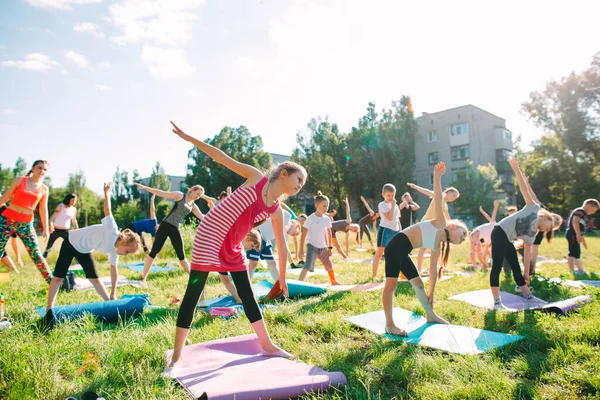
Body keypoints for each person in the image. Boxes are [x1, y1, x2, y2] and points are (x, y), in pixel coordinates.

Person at [163, 121, 308, 378]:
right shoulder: (255, 178)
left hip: (231, 247)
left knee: (248, 295)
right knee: (193, 293)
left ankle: (267, 345)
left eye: (303, 184)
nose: (300, 186)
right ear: (283, 173)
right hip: (209, 236)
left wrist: (283, 279)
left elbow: (283, 247)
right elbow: (221, 156)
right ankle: (176, 357)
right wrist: (190, 138)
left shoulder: (275, 210)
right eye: (299, 180)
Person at [383, 162, 468, 335]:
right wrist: (437, 177)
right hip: (395, 246)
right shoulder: (440, 223)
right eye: (463, 233)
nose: (464, 237)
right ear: (452, 227)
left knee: (419, 284)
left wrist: (432, 294)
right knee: (391, 285)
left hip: (403, 251)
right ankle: (389, 325)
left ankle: (430, 315)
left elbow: (433, 271)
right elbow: (438, 199)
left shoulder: (438, 245)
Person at [46, 183, 142, 309]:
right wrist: (107, 192)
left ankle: (109, 303)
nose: (126, 255)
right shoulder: (112, 230)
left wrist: (113, 294)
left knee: (95, 279)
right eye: (128, 251)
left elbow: (114, 272)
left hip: (84, 250)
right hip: (71, 241)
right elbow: (107, 211)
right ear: (124, 242)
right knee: (59, 276)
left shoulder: (115, 251)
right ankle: (49, 307)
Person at [489, 158, 554, 309]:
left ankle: (528, 296)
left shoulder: (532, 234)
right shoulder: (533, 207)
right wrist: (516, 169)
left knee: (515, 267)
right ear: (545, 217)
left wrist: (527, 274)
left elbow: (527, 254)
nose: (548, 230)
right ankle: (497, 301)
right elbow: (524, 189)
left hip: (507, 238)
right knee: (497, 266)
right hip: (499, 232)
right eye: (549, 226)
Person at [133, 182, 205, 286]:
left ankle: (192, 278)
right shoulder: (180, 195)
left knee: (181, 255)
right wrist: (144, 187)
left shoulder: (193, 206)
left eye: (200, 196)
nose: (198, 197)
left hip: (175, 228)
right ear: (192, 190)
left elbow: (203, 217)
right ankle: (143, 278)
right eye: (197, 193)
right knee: (154, 252)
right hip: (165, 226)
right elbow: (161, 192)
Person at [0, 160, 53, 283]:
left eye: (45, 170)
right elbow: (4, 199)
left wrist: (46, 228)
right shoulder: (19, 180)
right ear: (33, 168)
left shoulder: (44, 189)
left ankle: (53, 283)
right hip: (7, 220)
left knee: (37, 255)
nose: (42, 171)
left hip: (26, 224)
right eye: (40, 168)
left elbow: (43, 209)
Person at [407, 182, 459, 274]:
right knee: (424, 248)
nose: (453, 198)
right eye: (453, 195)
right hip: (426, 224)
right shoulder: (438, 195)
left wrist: (455, 226)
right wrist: (415, 187)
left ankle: (438, 267)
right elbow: (426, 191)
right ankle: (418, 270)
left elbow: (448, 218)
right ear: (448, 192)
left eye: (455, 198)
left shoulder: (445, 206)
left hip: (434, 227)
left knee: (435, 248)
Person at [296, 192, 342, 285]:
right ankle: (299, 283)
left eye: (327, 206)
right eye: (324, 206)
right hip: (312, 246)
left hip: (323, 247)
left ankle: (333, 281)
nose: (326, 208)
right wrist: (300, 250)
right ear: (317, 205)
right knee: (308, 265)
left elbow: (329, 234)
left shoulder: (327, 219)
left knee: (329, 264)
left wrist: (329, 248)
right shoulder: (310, 218)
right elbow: (303, 235)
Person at [372, 184, 401, 278]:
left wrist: (399, 230)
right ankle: (374, 275)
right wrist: (392, 206)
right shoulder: (382, 205)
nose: (391, 198)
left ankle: (399, 274)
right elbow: (389, 217)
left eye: (393, 195)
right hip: (385, 230)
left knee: (397, 253)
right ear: (383, 195)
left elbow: (397, 218)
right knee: (380, 252)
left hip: (395, 231)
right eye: (388, 195)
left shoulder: (395, 205)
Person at [565, 199, 600, 274]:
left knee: (577, 253)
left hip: (576, 234)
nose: (593, 213)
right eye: (593, 210)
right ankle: (572, 271)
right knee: (572, 252)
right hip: (572, 234)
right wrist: (577, 234)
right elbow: (575, 222)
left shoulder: (584, 215)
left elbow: (581, 228)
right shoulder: (580, 211)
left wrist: (583, 240)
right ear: (588, 206)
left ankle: (580, 270)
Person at [43, 193, 79, 258]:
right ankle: (43, 260)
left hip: (65, 231)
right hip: (55, 230)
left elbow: (74, 220)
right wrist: (51, 225)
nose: (74, 202)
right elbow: (52, 218)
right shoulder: (61, 206)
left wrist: (78, 230)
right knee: (49, 246)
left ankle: (77, 260)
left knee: (71, 245)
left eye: (75, 201)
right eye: (72, 200)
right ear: (68, 200)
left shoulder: (74, 209)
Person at [469, 200, 500, 269]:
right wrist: (495, 207)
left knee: (475, 250)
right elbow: (491, 216)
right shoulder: (494, 225)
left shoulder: (489, 238)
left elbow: (485, 249)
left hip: (475, 234)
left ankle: (478, 265)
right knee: (477, 251)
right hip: (476, 233)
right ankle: (480, 265)